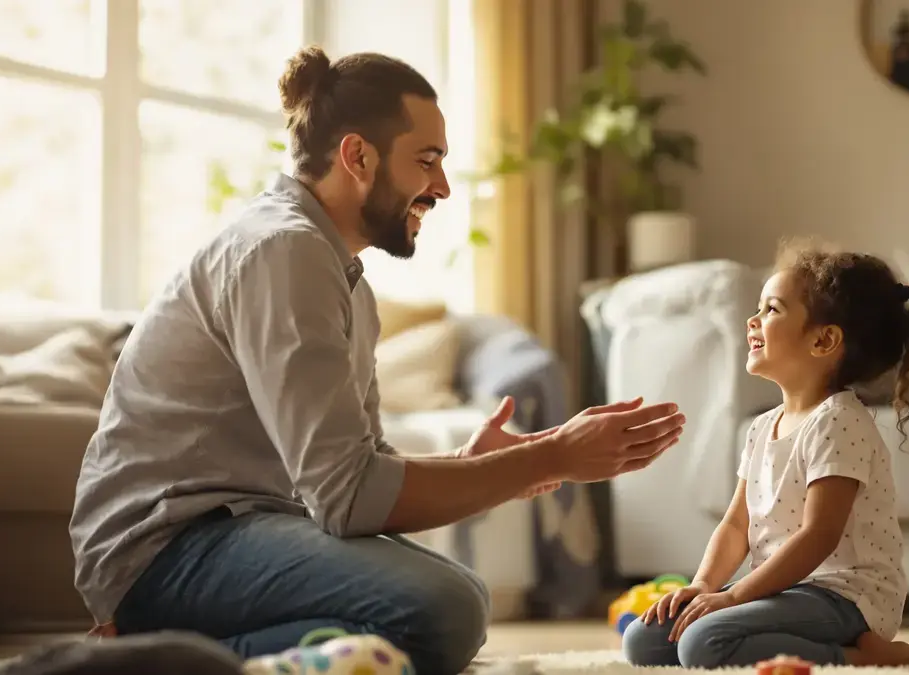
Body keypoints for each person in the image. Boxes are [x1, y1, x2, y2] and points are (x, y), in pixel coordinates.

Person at [68, 46, 686, 675]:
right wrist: (550, 455)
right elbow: (349, 500)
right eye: (427, 161)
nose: (442, 187)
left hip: (237, 530)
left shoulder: (344, 279)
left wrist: (480, 464)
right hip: (164, 549)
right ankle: (141, 662)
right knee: (441, 609)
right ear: (357, 156)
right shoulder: (284, 251)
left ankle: (159, 654)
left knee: (455, 601)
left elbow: (361, 469)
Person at [622, 239, 909, 669]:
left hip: (845, 596)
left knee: (704, 642)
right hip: (783, 591)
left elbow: (820, 535)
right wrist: (703, 586)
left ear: (824, 340)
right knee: (644, 640)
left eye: (771, 310)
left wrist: (735, 596)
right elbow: (737, 524)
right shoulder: (761, 427)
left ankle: (864, 656)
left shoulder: (839, 421)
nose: (752, 321)